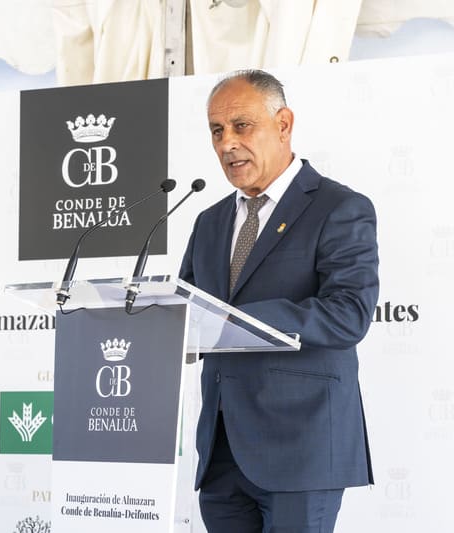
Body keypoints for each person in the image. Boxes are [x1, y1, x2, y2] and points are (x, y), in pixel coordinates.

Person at [179, 69, 379, 532]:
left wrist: (239, 320)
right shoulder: (208, 223)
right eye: (216, 130)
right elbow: (190, 315)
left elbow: (349, 314)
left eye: (241, 125)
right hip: (222, 454)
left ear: (284, 124)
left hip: (302, 448)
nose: (226, 143)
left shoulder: (339, 207)